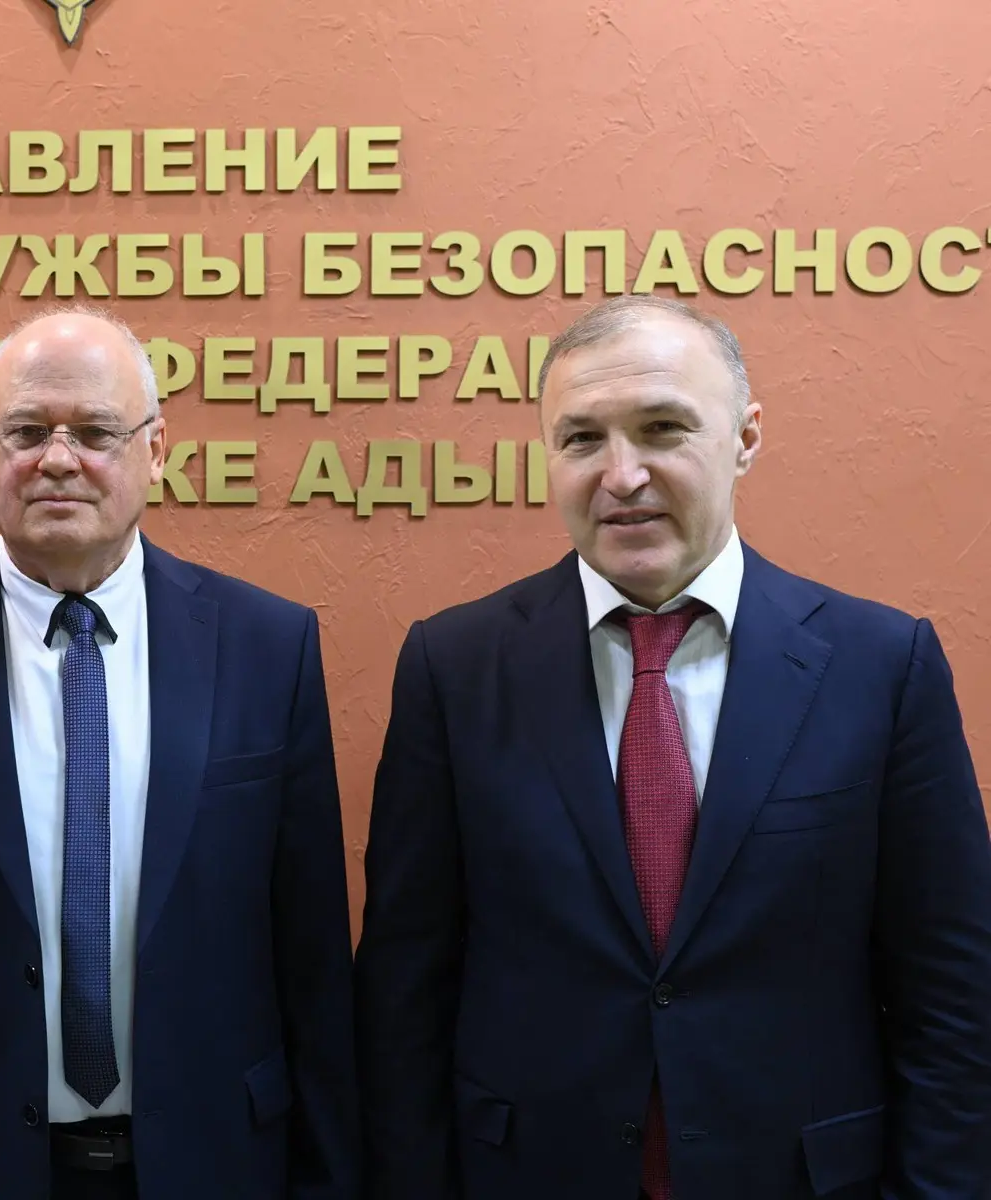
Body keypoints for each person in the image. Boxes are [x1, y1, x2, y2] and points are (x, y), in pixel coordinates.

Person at [354, 293, 991, 1199]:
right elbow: (404, 988)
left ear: (745, 437)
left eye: (662, 429)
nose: (622, 476)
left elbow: (953, 993)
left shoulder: (882, 666)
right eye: (582, 439)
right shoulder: (453, 667)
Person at [0, 307, 359, 1200]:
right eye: (27, 432)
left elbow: (313, 959)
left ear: (156, 449)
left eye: (96, 433)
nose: (58, 460)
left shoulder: (267, 646)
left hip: (215, 1161)